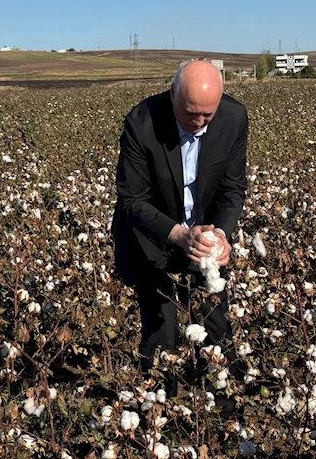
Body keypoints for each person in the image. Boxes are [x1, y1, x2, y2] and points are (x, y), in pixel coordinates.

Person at [112, 59, 248, 395]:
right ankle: (162, 411)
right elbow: (132, 200)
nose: (200, 124)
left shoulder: (233, 118)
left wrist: (220, 235)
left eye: (208, 115)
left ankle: (216, 407)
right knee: (161, 332)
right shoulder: (141, 123)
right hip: (152, 236)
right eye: (191, 114)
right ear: (173, 93)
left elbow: (232, 190)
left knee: (214, 323)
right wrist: (178, 234)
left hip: (203, 236)